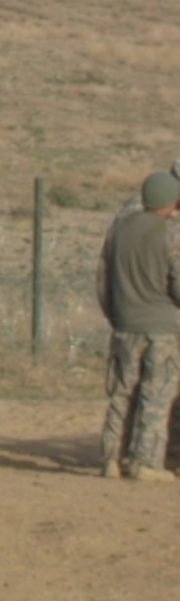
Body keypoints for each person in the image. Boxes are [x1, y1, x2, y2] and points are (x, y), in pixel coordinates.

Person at [96, 170, 180, 480]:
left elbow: (102, 278)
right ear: (171, 202)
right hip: (160, 328)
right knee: (155, 396)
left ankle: (111, 458)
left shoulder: (119, 229)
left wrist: (115, 315)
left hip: (123, 324)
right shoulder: (170, 234)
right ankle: (145, 462)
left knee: (120, 394)